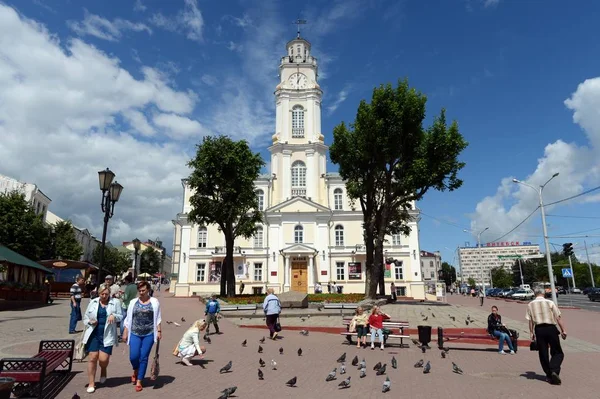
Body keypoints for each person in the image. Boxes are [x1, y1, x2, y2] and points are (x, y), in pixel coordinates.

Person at [82, 284, 122, 393]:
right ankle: (91, 383)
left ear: (109, 294)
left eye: (106, 294)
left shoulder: (115, 302)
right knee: (92, 358)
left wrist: (114, 316)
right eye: (102, 294)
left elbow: (121, 316)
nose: (104, 296)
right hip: (94, 333)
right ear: (98, 293)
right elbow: (85, 317)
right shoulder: (93, 302)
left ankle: (103, 369)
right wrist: (90, 321)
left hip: (107, 334)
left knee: (103, 359)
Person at [122, 281, 162, 392]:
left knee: (143, 357)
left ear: (148, 290)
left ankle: (139, 380)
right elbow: (128, 318)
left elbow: (158, 317)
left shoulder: (154, 302)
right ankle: (136, 369)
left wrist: (159, 331)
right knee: (133, 357)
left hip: (149, 333)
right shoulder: (133, 302)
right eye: (139, 291)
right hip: (135, 332)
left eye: (143, 290)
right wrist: (125, 331)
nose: (141, 293)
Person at [526, 287, 567, 385]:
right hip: (551, 328)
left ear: (535, 294)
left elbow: (530, 320)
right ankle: (554, 370)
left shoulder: (530, 304)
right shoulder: (550, 303)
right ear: (544, 293)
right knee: (557, 352)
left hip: (539, 330)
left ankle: (549, 375)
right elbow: (558, 317)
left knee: (543, 353)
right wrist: (563, 330)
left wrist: (531, 332)